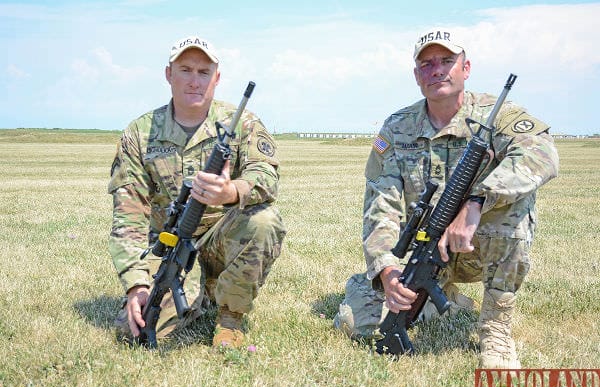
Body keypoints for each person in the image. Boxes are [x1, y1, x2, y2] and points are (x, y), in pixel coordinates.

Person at [334, 29, 559, 368]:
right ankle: (441, 298)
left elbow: (542, 157)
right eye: (427, 64)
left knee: (517, 205)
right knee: (357, 325)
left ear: (465, 68)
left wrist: (476, 203)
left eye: (447, 61)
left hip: (476, 247)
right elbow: (380, 203)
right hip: (423, 253)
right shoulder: (397, 127)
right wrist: (387, 270)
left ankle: (495, 328)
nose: (437, 70)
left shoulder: (499, 116)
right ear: (416, 75)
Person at [108, 36, 286, 348]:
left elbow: (267, 175)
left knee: (264, 221)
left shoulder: (242, 122)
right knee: (133, 329)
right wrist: (136, 283)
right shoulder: (139, 133)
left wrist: (231, 191)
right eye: (185, 70)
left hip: (222, 240)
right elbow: (128, 216)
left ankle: (230, 318)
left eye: (204, 72)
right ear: (168, 74)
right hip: (170, 244)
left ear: (216, 78)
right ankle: (200, 294)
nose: (194, 81)